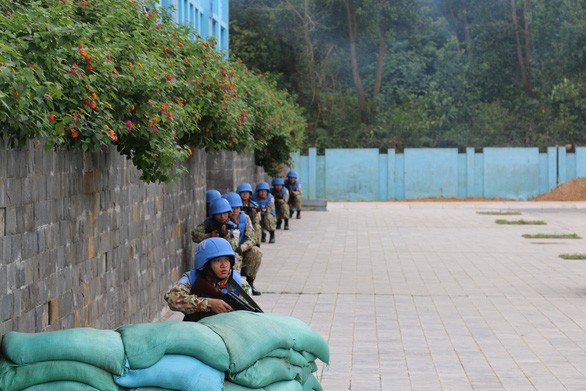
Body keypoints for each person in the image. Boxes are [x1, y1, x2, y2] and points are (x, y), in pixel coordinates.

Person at [164, 238, 247, 322]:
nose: (224, 265)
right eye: (218, 260)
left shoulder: (239, 283)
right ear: (206, 264)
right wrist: (208, 303)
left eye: (227, 259)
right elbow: (172, 298)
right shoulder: (192, 278)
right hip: (197, 327)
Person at [222, 192, 263, 295]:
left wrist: (243, 247)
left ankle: (249, 284)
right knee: (235, 258)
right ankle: (234, 287)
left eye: (237, 208)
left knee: (256, 252)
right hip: (226, 252)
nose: (234, 211)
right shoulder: (222, 220)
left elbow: (252, 238)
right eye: (232, 208)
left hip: (241, 249)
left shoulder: (245, 218)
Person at [191, 197, 240, 267]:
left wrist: (226, 235)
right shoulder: (208, 223)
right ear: (213, 214)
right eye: (219, 214)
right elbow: (194, 235)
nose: (222, 216)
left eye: (224, 213)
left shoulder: (232, 227)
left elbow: (234, 246)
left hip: (226, 254)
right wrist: (209, 236)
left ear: (228, 213)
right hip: (210, 253)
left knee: (236, 258)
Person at [236, 182, 262, 246]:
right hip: (239, 223)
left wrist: (254, 215)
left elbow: (257, 220)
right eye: (243, 193)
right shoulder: (236, 205)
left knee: (257, 226)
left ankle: (256, 243)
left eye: (247, 193)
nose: (245, 195)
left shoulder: (254, 205)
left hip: (250, 224)